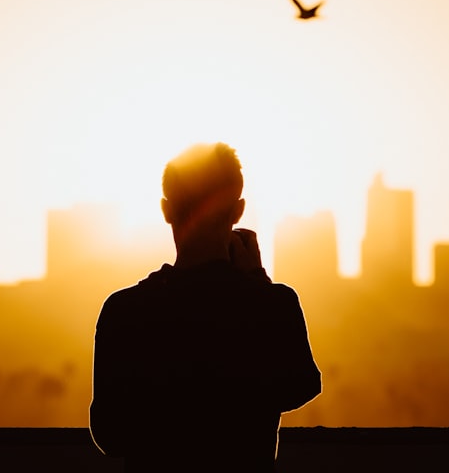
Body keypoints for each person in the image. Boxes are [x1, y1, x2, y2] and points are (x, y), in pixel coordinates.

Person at [89, 142, 321, 472]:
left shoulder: (125, 310)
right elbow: (301, 384)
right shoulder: (272, 304)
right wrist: (258, 282)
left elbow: (110, 435)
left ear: (166, 209)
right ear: (238, 211)